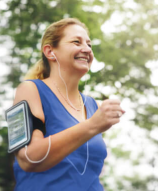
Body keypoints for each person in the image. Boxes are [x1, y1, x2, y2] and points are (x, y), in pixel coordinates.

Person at [12, 18, 125, 191]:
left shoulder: (93, 105)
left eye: (89, 44)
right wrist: (92, 125)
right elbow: (28, 158)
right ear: (50, 52)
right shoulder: (28, 90)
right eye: (76, 42)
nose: (87, 49)